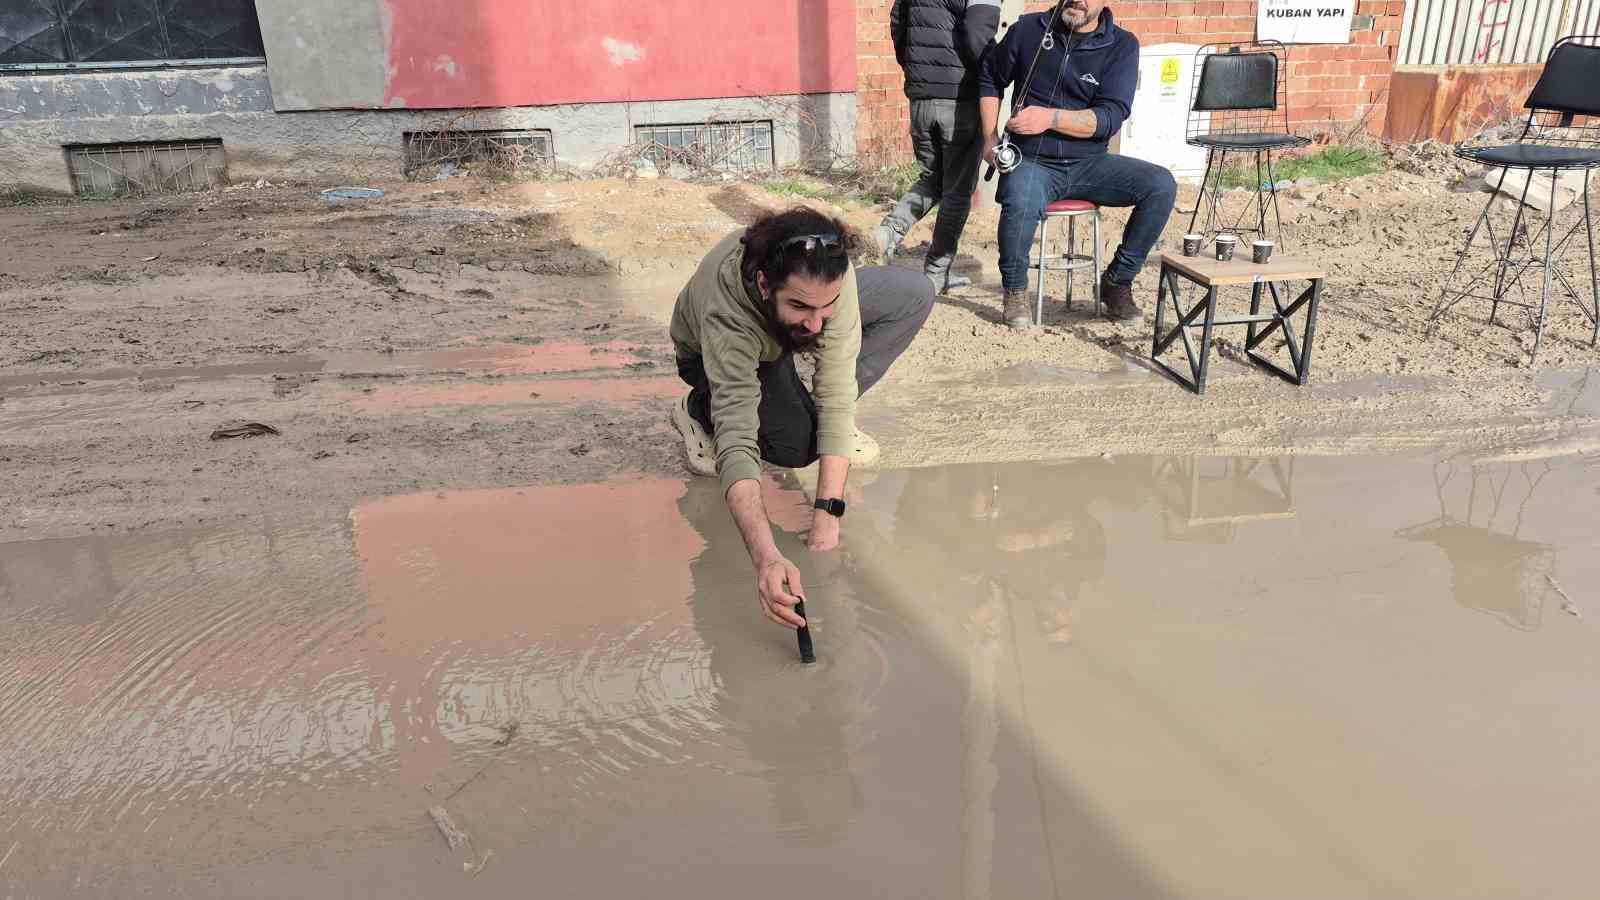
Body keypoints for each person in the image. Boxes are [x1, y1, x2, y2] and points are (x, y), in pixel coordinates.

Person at [669, 207, 935, 630]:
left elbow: (836, 385)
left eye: (826, 307)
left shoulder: (828, 280)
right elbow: (739, 445)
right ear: (763, 283)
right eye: (801, 308)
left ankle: (798, 402)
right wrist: (768, 557)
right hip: (709, 353)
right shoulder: (729, 318)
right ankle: (699, 410)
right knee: (799, 447)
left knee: (913, 292)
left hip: (784, 322)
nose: (815, 325)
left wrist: (827, 517)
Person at [977, 0, 1178, 330]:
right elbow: (989, 77)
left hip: (1091, 163)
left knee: (1160, 185)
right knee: (1021, 197)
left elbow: (1110, 117)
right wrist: (988, 139)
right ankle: (1015, 291)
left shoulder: (1122, 46)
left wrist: (1050, 118)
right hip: (1033, 161)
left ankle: (1117, 282)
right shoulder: (1028, 30)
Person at [877, 0, 1002, 293]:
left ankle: (886, 234)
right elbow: (977, 33)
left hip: (921, 97)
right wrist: (997, 69)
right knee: (957, 192)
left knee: (932, 179)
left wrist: (917, 69)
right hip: (959, 98)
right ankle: (936, 273)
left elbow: (898, 23)